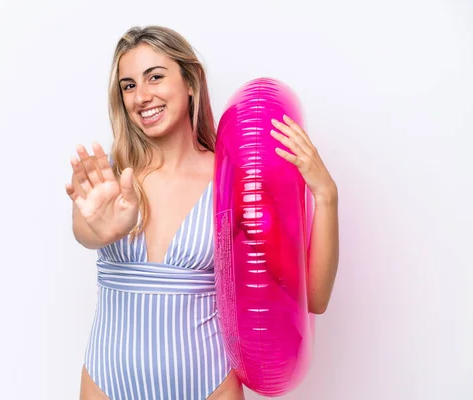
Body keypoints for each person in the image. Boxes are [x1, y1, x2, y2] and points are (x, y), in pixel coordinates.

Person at [65, 25, 339, 400]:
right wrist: (101, 227)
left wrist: (326, 195)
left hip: (207, 381)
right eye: (128, 86)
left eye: (155, 77)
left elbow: (314, 299)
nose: (141, 96)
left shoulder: (234, 180)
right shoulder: (111, 174)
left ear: (190, 81)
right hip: (108, 379)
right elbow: (86, 230)